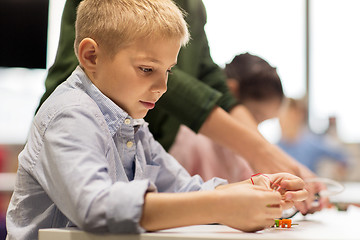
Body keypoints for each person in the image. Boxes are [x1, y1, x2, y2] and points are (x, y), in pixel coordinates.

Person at [6, 1, 308, 239]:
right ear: (91, 56)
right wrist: (223, 205)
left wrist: (256, 188)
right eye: (147, 69)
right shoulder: (69, 115)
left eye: (169, 72)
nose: (163, 87)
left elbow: (185, 189)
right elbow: (97, 208)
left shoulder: (133, 124)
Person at [170, 53, 285, 182]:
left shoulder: (244, 150)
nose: (255, 129)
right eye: (256, 116)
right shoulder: (193, 141)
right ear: (232, 91)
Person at [278, 98, 348, 177]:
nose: (282, 119)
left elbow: (342, 157)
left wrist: (340, 169)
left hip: (307, 186)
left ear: (298, 115)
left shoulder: (312, 143)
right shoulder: (274, 148)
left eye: (287, 114)